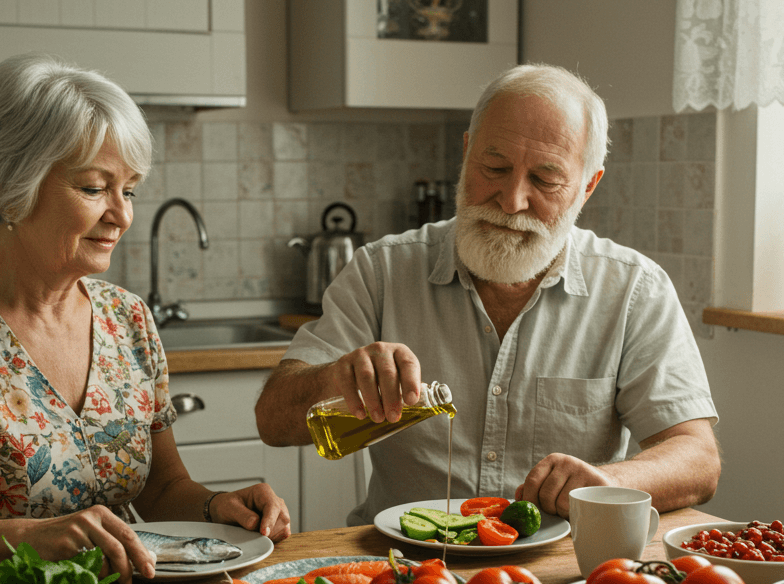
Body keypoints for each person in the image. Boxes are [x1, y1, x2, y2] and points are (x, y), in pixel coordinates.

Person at [0, 52, 290, 583]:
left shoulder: (128, 318)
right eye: (94, 188)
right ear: (10, 187)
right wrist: (31, 539)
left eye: (128, 190)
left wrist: (216, 506)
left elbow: (159, 490)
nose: (122, 214)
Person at [254, 63, 720, 527]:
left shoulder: (634, 288)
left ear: (588, 187)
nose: (511, 199)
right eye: (494, 167)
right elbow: (273, 422)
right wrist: (336, 378)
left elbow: (698, 459)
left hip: (556, 570)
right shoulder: (381, 272)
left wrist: (607, 481)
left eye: (545, 180)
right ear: (466, 151)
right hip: (404, 571)